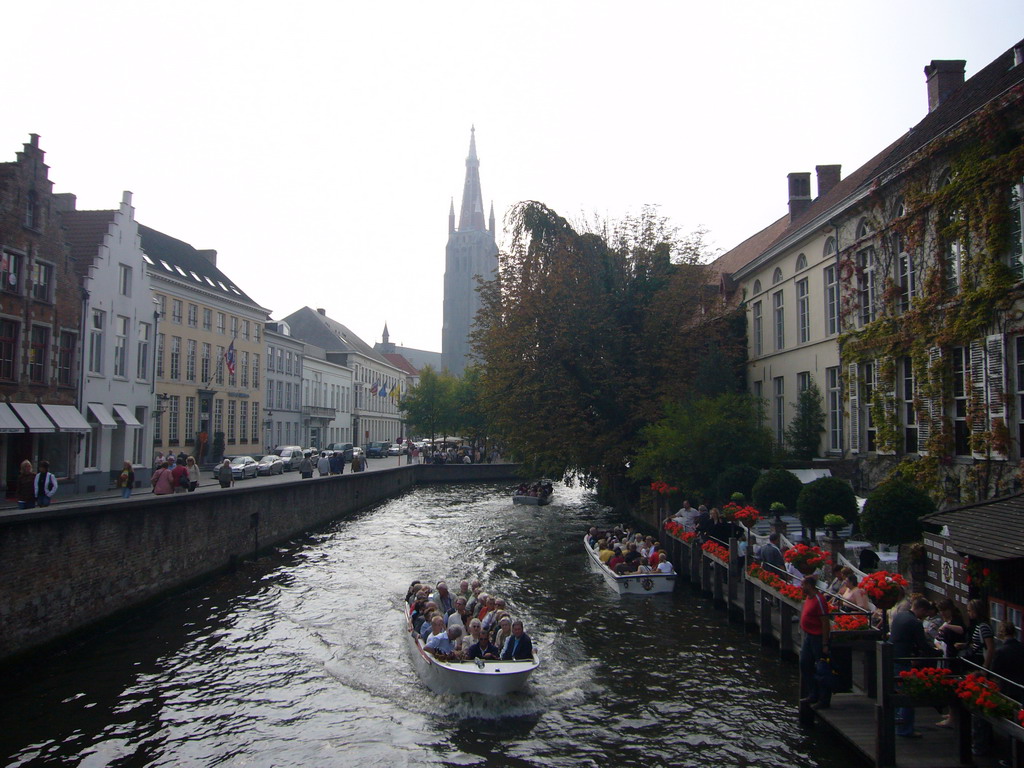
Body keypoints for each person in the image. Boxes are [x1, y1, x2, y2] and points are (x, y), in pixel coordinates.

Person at [890, 597, 939, 738]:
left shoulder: (900, 616)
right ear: (921, 609)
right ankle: (905, 729)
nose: (925, 617)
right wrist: (936, 653)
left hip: (892, 657)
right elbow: (922, 644)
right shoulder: (915, 623)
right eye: (925, 613)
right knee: (907, 695)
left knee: (897, 692)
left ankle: (895, 722)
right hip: (902, 660)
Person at [799, 575, 832, 710]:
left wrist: (825, 643)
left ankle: (824, 699)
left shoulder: (819, 600)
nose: (801, 587)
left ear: (809, 585)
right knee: (805, 663)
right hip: (809, 636)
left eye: (803, 584)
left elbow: (825, 622)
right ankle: (813, 693)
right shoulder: (808, 598)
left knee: (821, 669)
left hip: (817, 638)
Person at [992, 622, 1024, 710]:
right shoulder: (1022, 647)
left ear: (1001, 633)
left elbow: (994, 670)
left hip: (1006, 687)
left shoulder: (1001, 651)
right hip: (1021, 686)